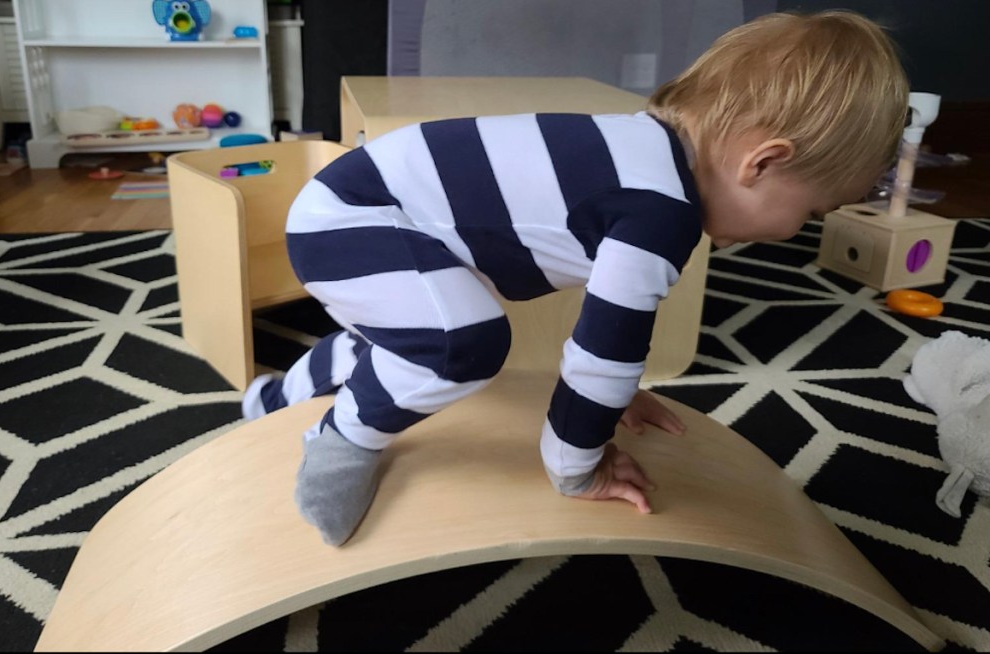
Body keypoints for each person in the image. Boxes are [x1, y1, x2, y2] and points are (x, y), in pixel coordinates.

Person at [242, 10, 909, 546]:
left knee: (414, 323)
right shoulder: (659, 216)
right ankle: (340, 441)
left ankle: (271, 399)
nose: (800, 230)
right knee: (458, 344)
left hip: (353, 209)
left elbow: (607, 345)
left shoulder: (640, 147)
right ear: (763, 162)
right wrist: (577, 468)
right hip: (355, 222)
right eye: (812, 211)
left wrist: (615, 394)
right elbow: (602, 359)